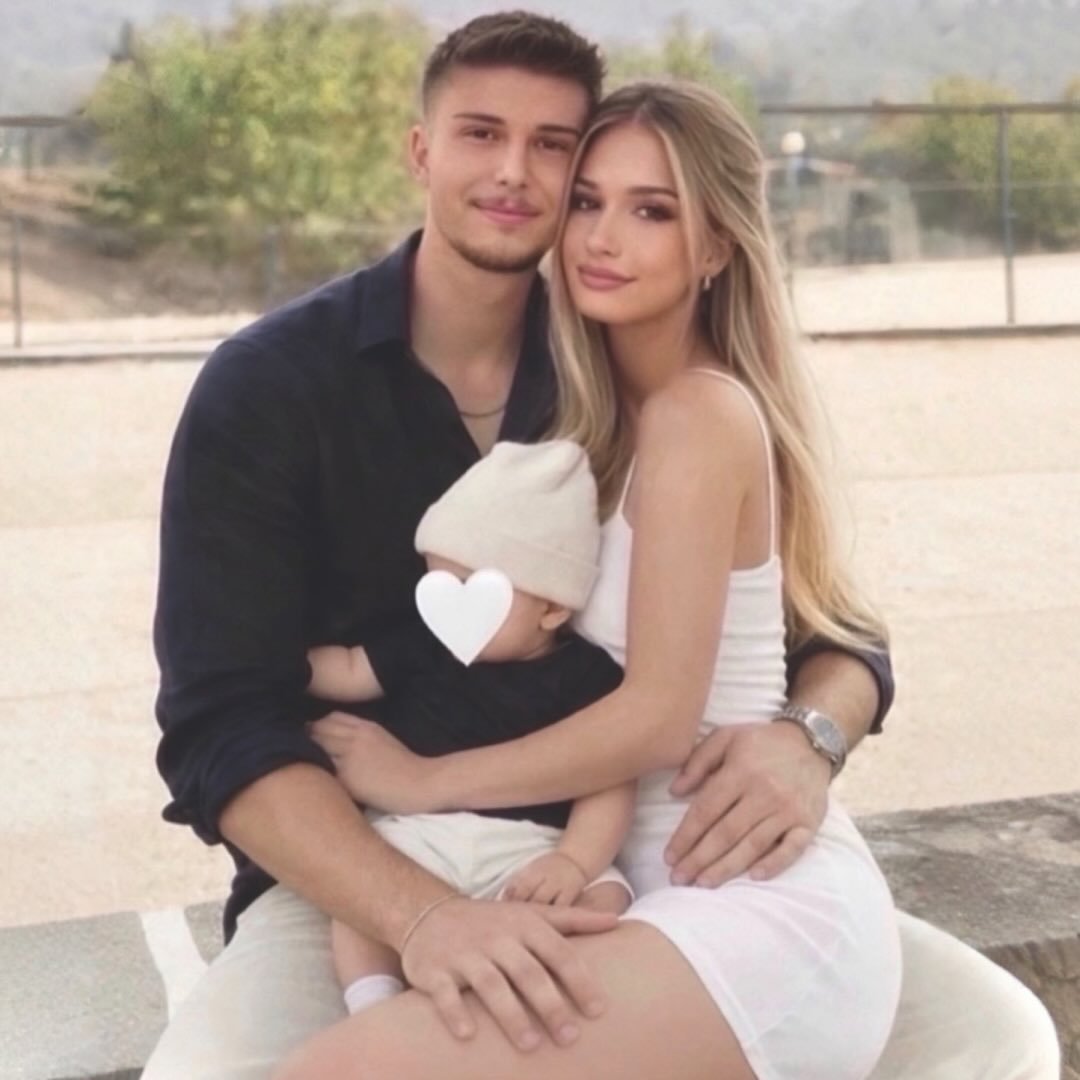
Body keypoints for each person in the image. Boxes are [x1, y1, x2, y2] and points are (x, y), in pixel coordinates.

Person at [144, 11, 1059, 1079]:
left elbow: (831, 631)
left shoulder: (619, 369)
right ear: (421, 150)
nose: (516, 174)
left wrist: (807, 739)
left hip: (635, 867)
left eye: (554, 149)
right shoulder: (273, 388)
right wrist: (424, 911)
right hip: (365, 879)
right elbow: (220, 726)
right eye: (482, 134)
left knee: (996, 1034)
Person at [306, 439, 633, 1018]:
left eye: (473, 588)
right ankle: (373, 1002)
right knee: (358, 893)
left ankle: (545, 986)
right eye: (436, 584)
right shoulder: (424, 643)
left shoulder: (586, 677)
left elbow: (608, 779)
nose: (446, 609)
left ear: (553, 609)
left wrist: (574, 862)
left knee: (607, 895)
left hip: (532, 848)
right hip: (418, 837)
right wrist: (275, 659)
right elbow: (351, 670)